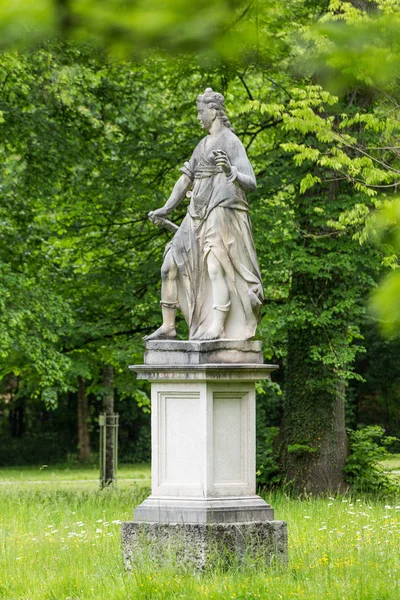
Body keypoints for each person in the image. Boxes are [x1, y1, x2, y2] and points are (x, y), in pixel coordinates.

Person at [146, 88, 263, 341]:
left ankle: (218, 325)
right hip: (195, 212)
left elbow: (250, 181)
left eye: (200, 112)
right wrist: (167, 208)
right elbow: (185, 179)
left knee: (215, 266)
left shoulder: (231, 141)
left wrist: (230, 170)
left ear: (214, 111)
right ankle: (168, 326)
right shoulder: (202, 145)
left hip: (219, 209)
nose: (198, 117)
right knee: (169, 265)